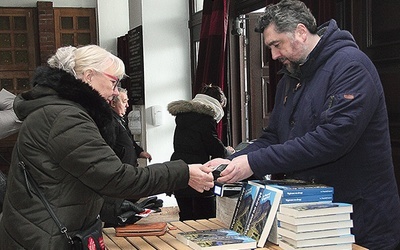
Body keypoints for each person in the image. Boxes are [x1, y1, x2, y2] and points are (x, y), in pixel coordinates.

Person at [206, 1, 400, 249]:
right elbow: (274, 136)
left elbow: (331, 140)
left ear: (300, 31)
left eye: (277, 45)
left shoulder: (351, 66)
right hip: (313, 220)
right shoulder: (291, 77)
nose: (274, 56)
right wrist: (234, 162)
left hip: (360, 219)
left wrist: (253, 163)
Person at [0, 45, 214, 249]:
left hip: (44, 231)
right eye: (113, 82)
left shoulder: (61, 111)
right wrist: (183, 172)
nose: (115, 92)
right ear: (89, 76)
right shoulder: (64, 117)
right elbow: (116, 178)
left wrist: (115, 208)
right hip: (45, 237)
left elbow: (79, 181)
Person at [168, 85, 234, 221]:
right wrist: (228, 151)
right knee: (206, 218)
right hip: (199, 171)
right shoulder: (205, 119)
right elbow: (214, 148)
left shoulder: (182, 117)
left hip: (180, 169)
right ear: (218, 103)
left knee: (186, 216)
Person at [110, 87, 152, 166]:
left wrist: (139, 152)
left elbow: (129, 141)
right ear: (113, 103)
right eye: (124, 102)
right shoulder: (109, 122)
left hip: (130, 167)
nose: (127, 105)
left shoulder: (122, 120)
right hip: (121, 169)